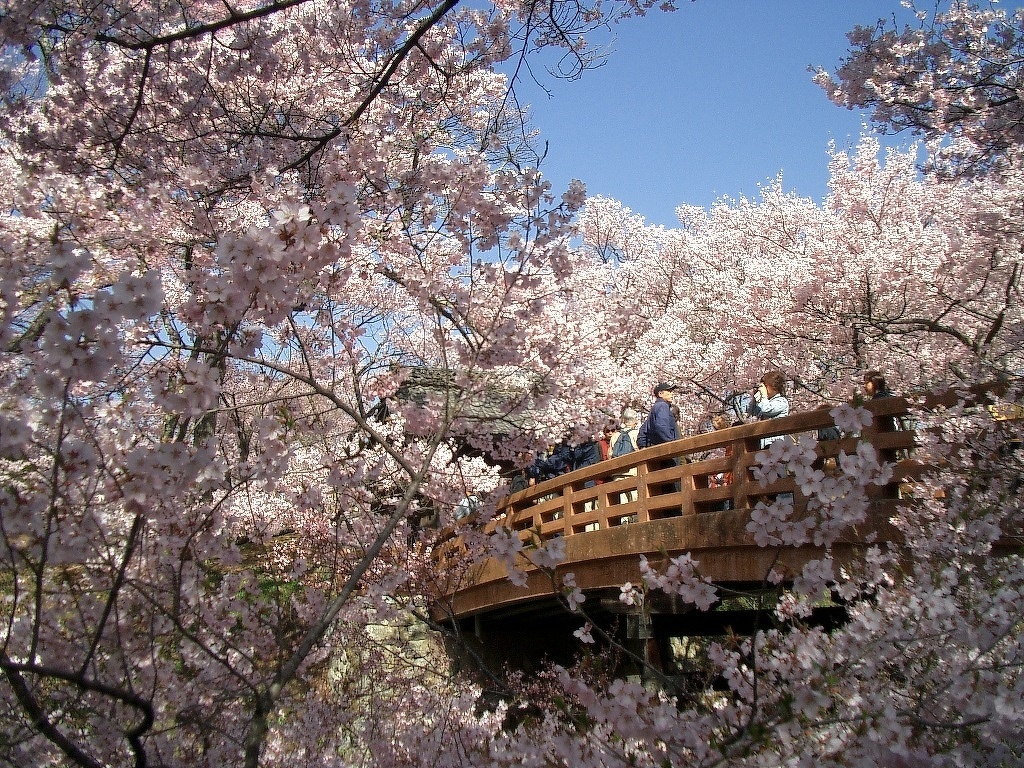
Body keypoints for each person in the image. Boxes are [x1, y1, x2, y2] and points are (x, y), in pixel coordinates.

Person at [637, 382, 680, 447]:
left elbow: (643, 429)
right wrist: (672, 443)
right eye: (669, 391)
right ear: (660, 394)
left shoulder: (656, 406)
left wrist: (642, 445)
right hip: (663, 448)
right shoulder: (662, 405)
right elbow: (661, 426)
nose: (672, 393)